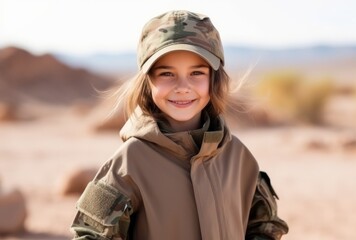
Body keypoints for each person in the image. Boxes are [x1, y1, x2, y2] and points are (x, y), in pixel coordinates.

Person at [70, 10, 289, 240]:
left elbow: (265, 226)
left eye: (196, 73)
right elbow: (90, 235)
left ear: (214, 79)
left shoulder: (237, 156)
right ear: (148, 82)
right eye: (167, 74)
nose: (182, 87)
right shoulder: (130, 162)